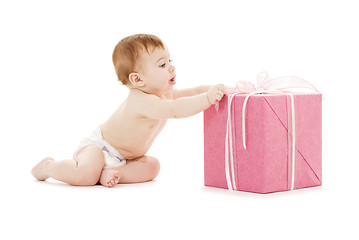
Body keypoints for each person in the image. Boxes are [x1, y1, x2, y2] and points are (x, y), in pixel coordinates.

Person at [31, 34, 225, 187]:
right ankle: (49, 166)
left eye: (170, 61)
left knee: (153, 166)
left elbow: (192, 92)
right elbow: (175, 110)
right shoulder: (141, 100)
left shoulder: (165, 93)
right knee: (85, 176)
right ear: (138, 80)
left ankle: (114, 174)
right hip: (100, 148)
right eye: (162, 65)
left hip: (128, 158)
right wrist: (207, 99)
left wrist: (216, 90)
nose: (171, 68)